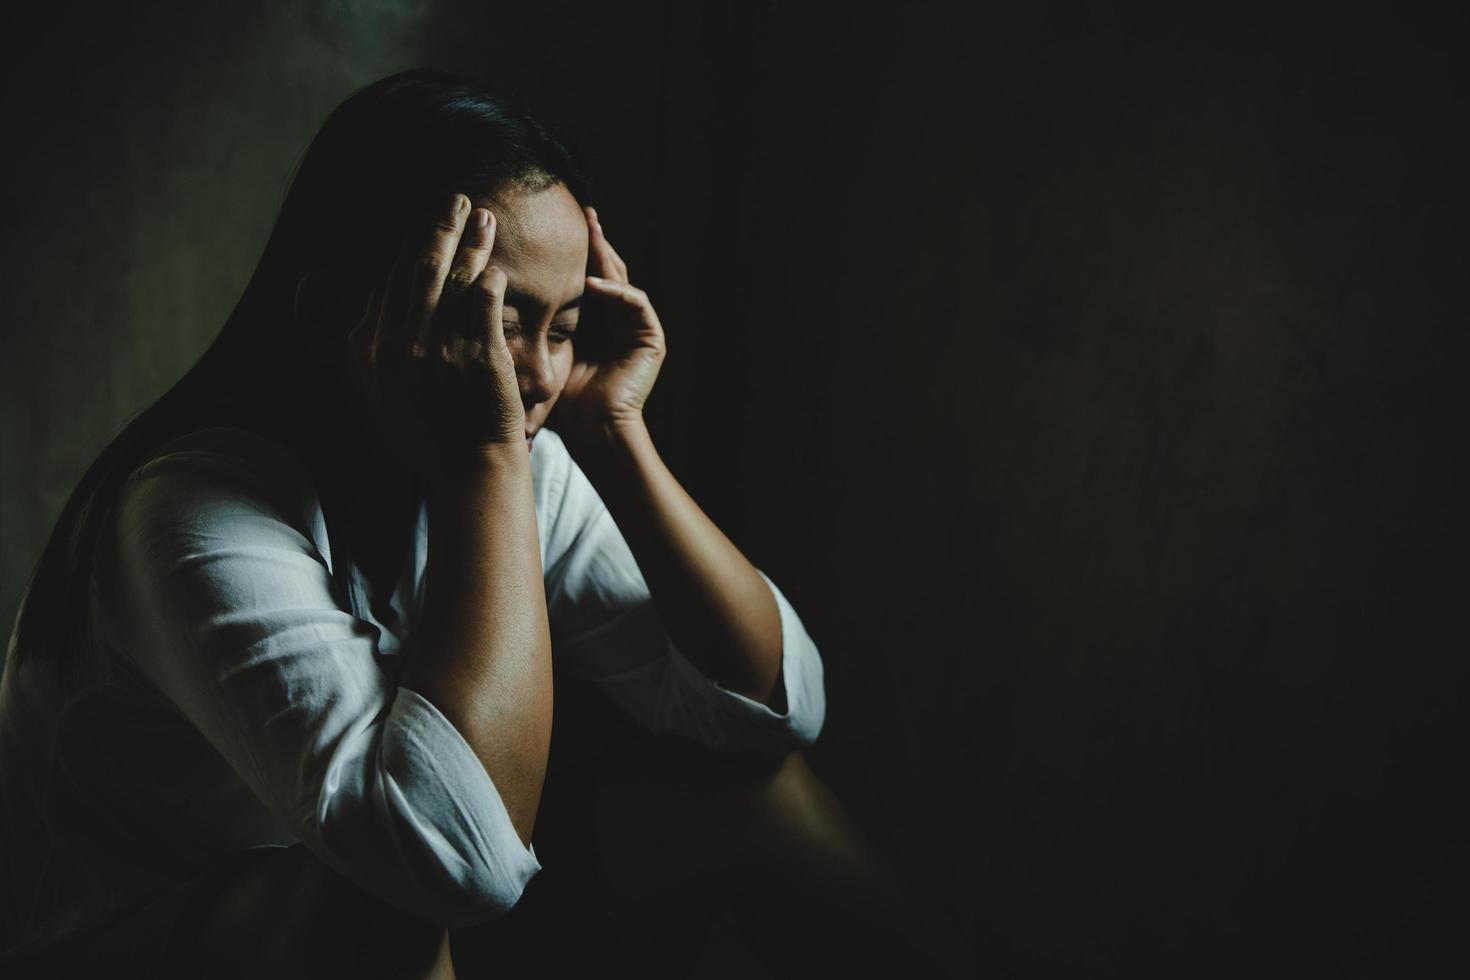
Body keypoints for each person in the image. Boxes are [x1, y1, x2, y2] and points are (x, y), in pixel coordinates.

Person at [0, 69, 965, 978]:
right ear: (339, 316)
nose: (541, 377)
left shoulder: (516, 447)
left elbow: (770, 712)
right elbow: (443, 859)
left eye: (565, 324)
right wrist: (491, 460)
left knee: (756, 800)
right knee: (389, 899)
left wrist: (616, 433)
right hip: (174, 939)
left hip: (418, 881)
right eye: (497, 321)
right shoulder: (187, 513)